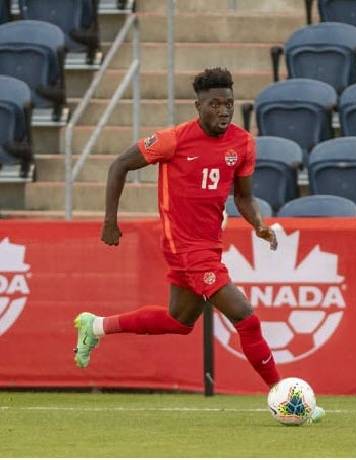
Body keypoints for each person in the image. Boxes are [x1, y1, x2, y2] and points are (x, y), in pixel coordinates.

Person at [72, 67, 324, 422]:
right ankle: (285, 396)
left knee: (179, 320)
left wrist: (259, 225)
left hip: (208, 246)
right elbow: (119, 165)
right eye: (215, 104)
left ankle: (95, 326)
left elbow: (244, 197)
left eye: (229, 104)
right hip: (185, 249)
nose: (223, 110)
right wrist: (110, 220)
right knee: (246, 318)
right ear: (198, 106)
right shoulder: (173, 140)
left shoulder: (242, 143)